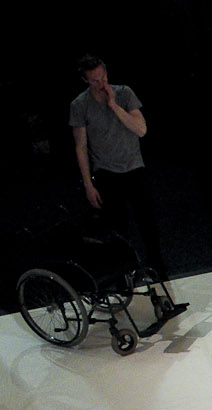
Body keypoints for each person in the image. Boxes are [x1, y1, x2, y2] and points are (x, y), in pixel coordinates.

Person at [70, 53, 164, 272]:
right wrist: (88, 185)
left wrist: (114, 105)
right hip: (106, 172)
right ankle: (125, 273)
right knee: (117, 228)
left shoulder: (124, 93)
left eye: (103, 77)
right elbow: (80, 147)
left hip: (134, 167)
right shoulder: (80, 105)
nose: (101, 83)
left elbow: (141, 129)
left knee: (147, 222)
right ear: (85, 80)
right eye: (95, 80)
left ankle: (157, 268)